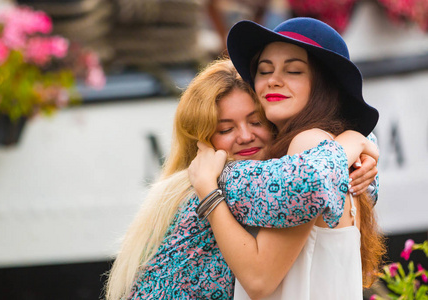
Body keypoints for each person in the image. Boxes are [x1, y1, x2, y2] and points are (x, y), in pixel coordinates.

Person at [104, 59, 378, 300]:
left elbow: (349, 190)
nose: (245, 136)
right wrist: (355, 140)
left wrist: (363, 150)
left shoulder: (269, 173)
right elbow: (309, 183)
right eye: (226, 128)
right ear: (202, 141)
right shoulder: (232, 178)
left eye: (256, 122)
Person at [188, 17, 385, 300]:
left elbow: (259, 278)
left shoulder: (309, 145)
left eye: (293, 70)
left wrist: (207, 188)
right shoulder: (328, 148)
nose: (273, 81)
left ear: (324, 84)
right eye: (264, 70)